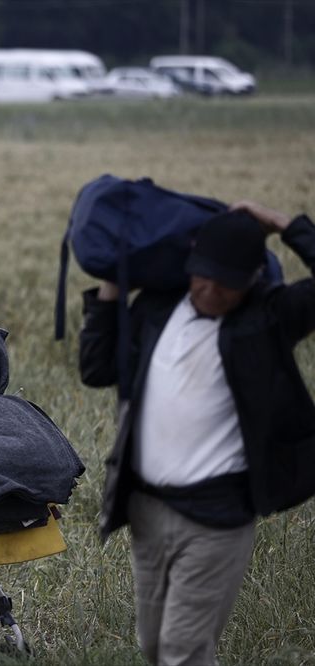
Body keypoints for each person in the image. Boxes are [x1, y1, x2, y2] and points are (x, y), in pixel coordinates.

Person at [79, 202, 315, 666]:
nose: (209, 289)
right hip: (146, 509)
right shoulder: (156, 309)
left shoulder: (267, 319)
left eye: (226, 283)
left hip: (215, 519)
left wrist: (290, 227)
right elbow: (96, 368)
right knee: (154, 646)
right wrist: (111, 282)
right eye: (201, 275)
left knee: (182, 651)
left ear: (252, 280)